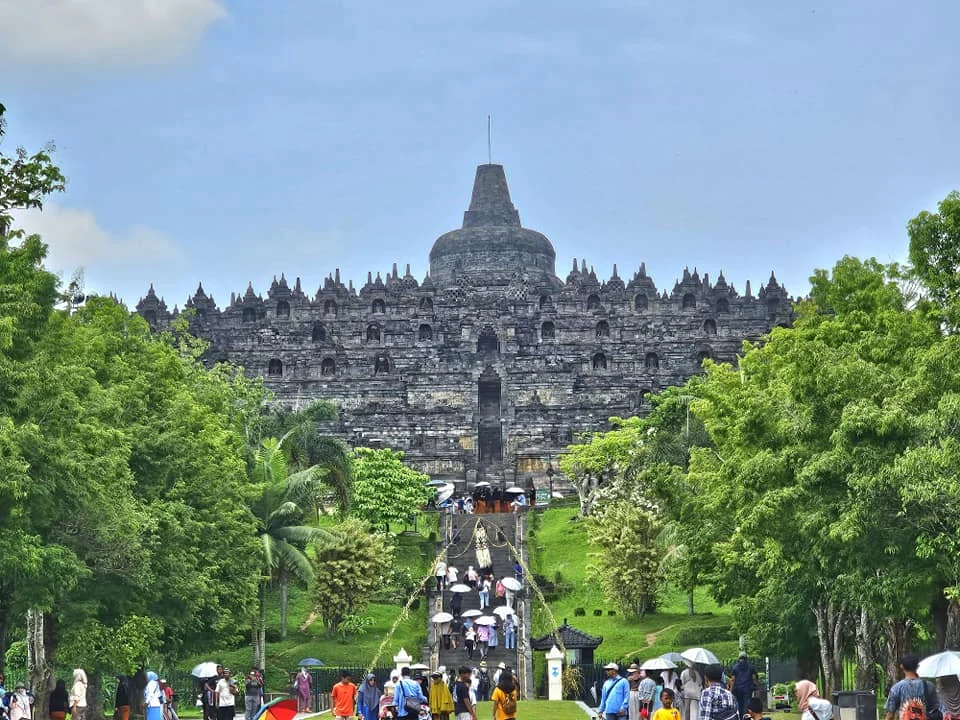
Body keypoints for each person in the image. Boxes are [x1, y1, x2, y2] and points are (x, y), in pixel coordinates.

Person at [885, 654, 941, 720]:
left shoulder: (896, 688)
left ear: (901, 666)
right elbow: (936, 710)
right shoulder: (929, 686)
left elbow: (890, 715)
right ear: (918, 667)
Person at [729, 653, 757, 718]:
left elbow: (732, 679)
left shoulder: (735, 667)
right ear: (746, 658)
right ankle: (745, 717)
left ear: (739, 659)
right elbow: (754, 678)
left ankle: (740, 717)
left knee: (739, 704)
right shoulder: (750, 667)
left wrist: (731, 689)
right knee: (746, 704)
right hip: (747, 689)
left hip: (737, 689)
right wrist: (756, 685)